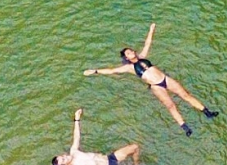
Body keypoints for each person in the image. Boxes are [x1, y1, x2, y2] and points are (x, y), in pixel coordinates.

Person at [85, 23, 217, 134]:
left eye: (131, 51)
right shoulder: (129, 68)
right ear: (126, 58)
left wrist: (151, 29)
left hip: (165, 79)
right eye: (128, 53)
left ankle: (207, 112)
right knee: (170, 105)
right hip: (156, 86)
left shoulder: (142, 57)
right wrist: (95, 71)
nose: (131, 53)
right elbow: (112, 71)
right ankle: (185, 127)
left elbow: (148, 43)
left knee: (185, 95)